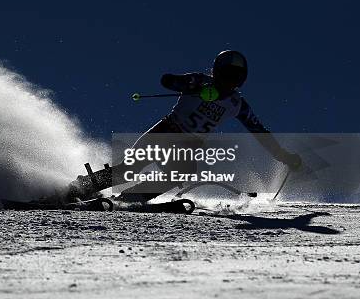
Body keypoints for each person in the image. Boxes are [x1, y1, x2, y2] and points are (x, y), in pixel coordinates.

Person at [115, 50, 302, 203]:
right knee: (128, 169)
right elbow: (167, 81)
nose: (229, 83)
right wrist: (191, 86)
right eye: (227, 75)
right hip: (166, 131)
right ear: (217, 72)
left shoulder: (236, 104)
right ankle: (87, 186)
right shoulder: (200, 81)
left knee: (181, 173)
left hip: (187, 146)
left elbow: (259, 131)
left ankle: (129, 199)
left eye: (235, 78)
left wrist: (283, 155)